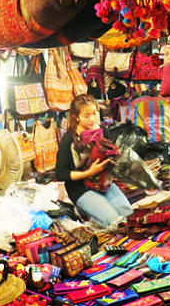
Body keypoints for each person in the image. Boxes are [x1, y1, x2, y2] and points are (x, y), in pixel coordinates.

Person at [55, 94, 133, 227]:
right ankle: (86, 212)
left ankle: (95, 212)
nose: (92, 119)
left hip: (104, 183)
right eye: (86, 116)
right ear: (76, 117)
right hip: (80, 188)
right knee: (114, 222)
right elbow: (60, 174)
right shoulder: (69, 140)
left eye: (95, 113)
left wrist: (115, 158)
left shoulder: (103, 131)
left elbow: (111, 161)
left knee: (129, 216)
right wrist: (90, 172)